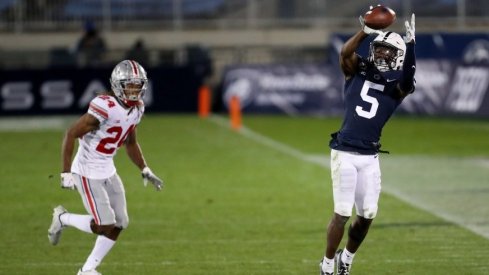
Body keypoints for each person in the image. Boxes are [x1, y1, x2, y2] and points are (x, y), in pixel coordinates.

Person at [319, 11, 417, 275]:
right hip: (344, 152)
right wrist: (365, 31)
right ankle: (327, 264)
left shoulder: (397, 85)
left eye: (388, 52)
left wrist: (410, 47)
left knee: (368, 215)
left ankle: (346, 259)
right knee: (341, 213)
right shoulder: (356, 69)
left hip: (370, 156)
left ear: (397, 57)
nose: (383, 55)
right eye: (380, 49)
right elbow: (344, 53)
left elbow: (408, 82)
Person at [47, 60, 163, 275]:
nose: (135, 90)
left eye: (138, 85)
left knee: (121, 222)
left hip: (107, 169)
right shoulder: (104, 105)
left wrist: (144, 169)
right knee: (104, 226)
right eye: (130, 85)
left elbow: (130, 142)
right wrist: (65, 172)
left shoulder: (137, 108)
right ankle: (62, 218)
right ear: (118, 85)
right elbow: (71, 133)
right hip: (87, 171)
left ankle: (87, 270)